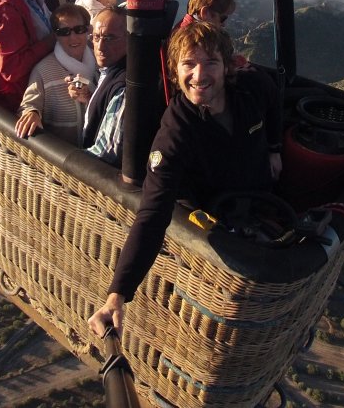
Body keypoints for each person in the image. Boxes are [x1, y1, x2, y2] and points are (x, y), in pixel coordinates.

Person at [88, 21, 283, 337]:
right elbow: (152, 214)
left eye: (210, 63)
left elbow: (274, 102)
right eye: (189, 64)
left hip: (262, 198)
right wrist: (118, 294)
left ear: (227, 67)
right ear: (175, 72)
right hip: (217, 216)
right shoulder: (175, 133)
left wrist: (275, 148)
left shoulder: (252, 89)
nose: (199, 75)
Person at [15, 4, 96, 144]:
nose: (73, 37)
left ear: (87, 30)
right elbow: (29, 105)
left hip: (99, 151)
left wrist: (88, 96)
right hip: (64, 154)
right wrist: (32, 113)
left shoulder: (100, 61)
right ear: (55, 35)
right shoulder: (43, 70)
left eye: (79, 29)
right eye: (64, 32)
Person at [71, 8, 128, 171]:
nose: (101, 46)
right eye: (96, 37)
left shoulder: (123, 87)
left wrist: (60, 159)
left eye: (109, 38)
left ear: (128, 39)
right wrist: (89, 99)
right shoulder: (110, 71)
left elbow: (105, 154)